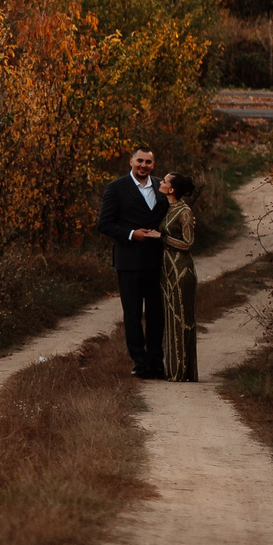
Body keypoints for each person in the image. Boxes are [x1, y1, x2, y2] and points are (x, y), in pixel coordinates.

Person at [96, 146, 167, 379]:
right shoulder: (116, 188)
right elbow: (104, 224)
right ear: (131, 161)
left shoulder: (161, 187)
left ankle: (157, 362)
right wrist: (130, 234)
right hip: (129, 261)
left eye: (148, 162)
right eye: (140, 161)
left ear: (153, 165)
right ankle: (140, 361)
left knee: (157, 314)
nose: (143, 165)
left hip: (157, 261)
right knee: (133, 314)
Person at [159, 172, 199, 381]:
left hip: (181, 270)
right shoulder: (166, 208)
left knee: (181, 318)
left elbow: (188, 243)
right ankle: (172, 369)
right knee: (170, 318)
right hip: (167, 270)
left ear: (172, 189)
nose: (161, 182)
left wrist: (163, 238)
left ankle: (181, 372)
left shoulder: (184, 211)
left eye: (165, 181)